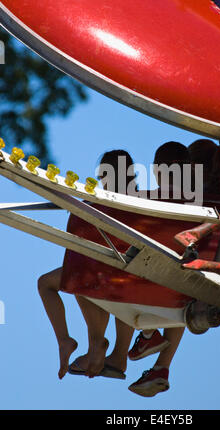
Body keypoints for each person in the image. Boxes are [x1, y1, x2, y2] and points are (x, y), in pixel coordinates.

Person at [38, 149, 136, 380]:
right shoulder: (142, 200)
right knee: (86, 272)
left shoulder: (94, 203)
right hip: (129, 275)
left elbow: (75, 238)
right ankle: (99, 347)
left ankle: (77, 341)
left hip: (101, 273)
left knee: (55, 281)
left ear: (103, 176)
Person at [127, 141, 190, 397]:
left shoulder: (153, 198)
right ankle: (161, 364)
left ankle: (148, 331)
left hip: (156, 277)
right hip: (192, 281)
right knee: (188, 290)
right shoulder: (206, 199)